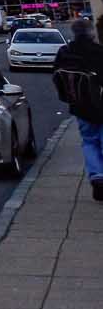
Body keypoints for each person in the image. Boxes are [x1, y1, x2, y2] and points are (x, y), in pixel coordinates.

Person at [52, 20, 103, 202]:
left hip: (79, 105)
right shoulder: (98, 52)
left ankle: (97, 176)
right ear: (91, 33)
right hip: (100, 103)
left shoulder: (65, 52)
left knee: (89, 142)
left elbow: (56, 74)